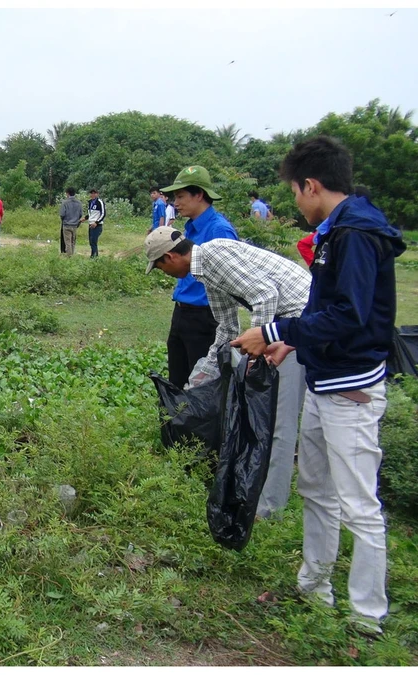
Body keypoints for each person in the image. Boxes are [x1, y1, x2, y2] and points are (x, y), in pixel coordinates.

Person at [232, 136, 405, 634]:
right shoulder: (338, 230)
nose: (295, 202)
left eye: (294, 192)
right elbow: (323, 304)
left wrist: (271, 331)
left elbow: (348, 315)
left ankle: (367, 616)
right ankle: (314, 588)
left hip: (351, 388)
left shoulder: (355, 234)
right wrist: (292, 344)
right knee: (317, 488)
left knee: (357, 502)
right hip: (324, 378)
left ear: (311, 185)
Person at [144, 226, 310, 519]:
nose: (163, 274)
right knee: (264, 417)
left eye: (159, 267)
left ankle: (271, 509)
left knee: (276, 423)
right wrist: (199, 378)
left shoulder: (215, 256)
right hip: (279, 327)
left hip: (298, 320)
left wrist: (261, 342)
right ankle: (260, 495)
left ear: (170, 257)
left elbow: (265, 295)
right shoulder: (205, 269)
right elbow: (227, 330)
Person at [159, 166, 239, 389]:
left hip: (205, 317)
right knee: (177, 380)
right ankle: (178, 424)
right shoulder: (191, 228)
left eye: (181, 196)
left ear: (199, 195)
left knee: (203, 385)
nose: (176, 203)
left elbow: (231, 281)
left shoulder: (219, 230)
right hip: (182, 312)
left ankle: (201, 425)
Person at [82, 188, 106, 258]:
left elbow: (103, 214)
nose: (92, 195)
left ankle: (95, 257)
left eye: (94, 193)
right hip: (90, 224)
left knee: (94, 241)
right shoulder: (90, 202)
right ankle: (92, 256)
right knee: (91, 242)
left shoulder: (100, 202)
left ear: (97, 194)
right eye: (91, 193)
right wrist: (85, 218)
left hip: (97, 225)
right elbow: (91, 214)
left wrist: (96, 222)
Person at [59, 187, 83, 255]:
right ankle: (72, 254)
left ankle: (69, 256)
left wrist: (64, 220)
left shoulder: (65, 202)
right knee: (73, 241)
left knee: (68, 242)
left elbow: (62, 214)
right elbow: (81, 214)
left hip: (67, 224)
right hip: (75, 225)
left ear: (67, 193)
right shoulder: (79, 203)